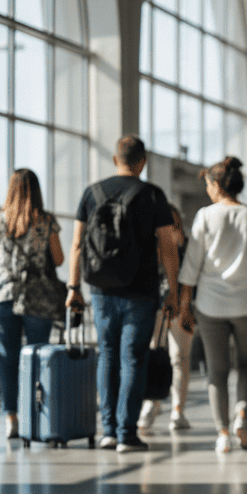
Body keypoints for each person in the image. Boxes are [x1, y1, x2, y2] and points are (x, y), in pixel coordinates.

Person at [67, 136, 180, 454]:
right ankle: (127, 434)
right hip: (141, 291)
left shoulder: (93, 193)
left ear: (116, 160)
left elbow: (77, 243)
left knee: (108, 354)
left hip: (101, 289)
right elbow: (169, 247)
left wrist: (74, 287)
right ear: (142, 162)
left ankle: (108, 432)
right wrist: (173, 289)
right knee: (133, 359)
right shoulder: (153, 195)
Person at [177, 157, 247, 454]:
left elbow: (190, 268)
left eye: (208, 184)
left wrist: (185, 306)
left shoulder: (205, 217)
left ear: (216, 185)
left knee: (217, 371)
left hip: (211, 306)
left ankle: (223, 433)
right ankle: (242, 417)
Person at [0, 169, 65, 441]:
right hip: (38, 297)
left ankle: (11, 418)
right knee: (38, 357)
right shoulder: (45, 222)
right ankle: (36, 415)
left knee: (8, 360)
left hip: (2, 296)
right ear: (36, 190)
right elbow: (58, 260)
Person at [138, 204, 194, 432]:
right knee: (155, 354)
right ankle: (151, 404)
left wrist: (186, 307)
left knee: (179, 358)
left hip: (182, 306)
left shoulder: (187, 244)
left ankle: (177, 412)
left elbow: (191, 278)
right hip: (154, 306)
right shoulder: (149, 244)